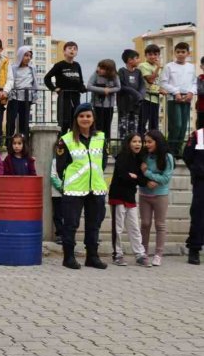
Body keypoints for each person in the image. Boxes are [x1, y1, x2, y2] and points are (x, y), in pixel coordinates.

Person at [51, 103, 109, 270]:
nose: (85, 119)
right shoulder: (66, 139)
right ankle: (68, 257)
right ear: (76, 119)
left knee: (94, 223)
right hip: (74, 188)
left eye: (88, 116)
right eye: (81, 116)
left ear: (93, 118)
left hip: (96, 187)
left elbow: (103, 161)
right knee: (71, 224)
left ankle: (92, 256)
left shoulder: (101, 137)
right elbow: (60, 166)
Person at [108, 133, 148, 267]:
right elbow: (123, 176)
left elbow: (143, 181)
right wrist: (135, 177)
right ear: (128, 143)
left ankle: (140, 255)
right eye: (134, 141)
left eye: (139, 142)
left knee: (134, 227)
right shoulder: (122, 157)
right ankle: (117, 254)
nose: (137, 144)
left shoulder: (140, 160)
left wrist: (135, 176)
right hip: (118, 196)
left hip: (130, 197)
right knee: (117, 228)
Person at [138, 130, 173, 267]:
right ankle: (143, 252)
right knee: (145, 224)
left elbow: (165, 178)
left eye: (149, 142)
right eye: (145, 141)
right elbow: (138, 173)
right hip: (144, 195)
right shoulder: (144, 155)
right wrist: (146, 181)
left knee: (160, 225)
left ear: (157, 142)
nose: (146, 144)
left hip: (160, 195)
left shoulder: (167, 157)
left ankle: (158, 254)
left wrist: (148, 173)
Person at [161, 41, 196, 156]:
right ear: (174, 53)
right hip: (174, 98)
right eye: (178, 52)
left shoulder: (191, 67)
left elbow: (194, 82)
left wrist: (191, 92)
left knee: (183, 127)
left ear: (188, 53)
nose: (180, 54)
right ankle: (170, 151)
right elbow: (164, 83)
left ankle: (178, 151)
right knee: (176, 125)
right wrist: (175, 92)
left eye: (183, 52)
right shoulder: (169, 66)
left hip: (186, 99)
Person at [44, 41, 85, 134]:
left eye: (75, 49)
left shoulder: (77, 65)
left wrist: (82, 88)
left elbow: (80, 81)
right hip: (64, 97)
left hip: (75, 97)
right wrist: (54, 88)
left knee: (75, 122)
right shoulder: (59, 65)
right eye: (70, 48)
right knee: (64, 122)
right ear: (64, 51)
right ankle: (61, 144)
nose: (72, 50)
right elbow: (47, 78)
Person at [184, 125, 204, 265]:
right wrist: (197, 171)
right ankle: (194, 249)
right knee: (198, 215)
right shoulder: (198, 135)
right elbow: (187, 156)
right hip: (201, 182)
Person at [7, 46, 37, 140]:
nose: (28, 58)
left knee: (24, 122)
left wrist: (35, 95)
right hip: (14, 97)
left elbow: (34, 82)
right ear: (20, 55)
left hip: (26, 98)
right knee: (11, 121)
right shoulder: (13, 68)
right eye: (26, 55)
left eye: (30, 56)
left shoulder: (32, 68)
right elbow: (10, 81)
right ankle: (8, 142)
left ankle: (24, 142)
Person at [87, 59, 120, 143]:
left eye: (102, 68)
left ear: (109, 70)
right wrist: (102, 90)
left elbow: (118, 87)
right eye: (99, 67)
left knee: (107, 126)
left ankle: (106, 146)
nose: (99, 69)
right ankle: (97, 144)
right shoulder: (96, 74)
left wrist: (109, 90)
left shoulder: (115, 76)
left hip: (109, 106)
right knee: (98, 126)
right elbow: (89, 86)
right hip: (97, 105)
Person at [117, 49, 146, 139]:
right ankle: (123, 149)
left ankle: (132, 149)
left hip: (135, 106)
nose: (139, 60)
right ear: (130, 60)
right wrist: (135, 93)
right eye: (137, 58)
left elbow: (142, 86)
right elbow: (122, 86)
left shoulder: (138, 72)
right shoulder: (121, 71)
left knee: (134, 131)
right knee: (123, 130)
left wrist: (141, 95)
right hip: (124, 106)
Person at [139, 44, 163, 132]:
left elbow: (159, 82)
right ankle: (140, 143)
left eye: (155, 54)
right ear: (146, 55)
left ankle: (153, 144)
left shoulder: (159, 67)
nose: (153, 57)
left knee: (154, 125)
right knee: (142, 123)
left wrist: (161, 90)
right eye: (150, 54)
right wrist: (158, 68)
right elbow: (150, 80)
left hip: (155, 98)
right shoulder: (143, 65)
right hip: (146, 98)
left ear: (158, 55)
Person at [49, 142, 65, 245]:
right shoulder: (55, 161)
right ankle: (59, 233)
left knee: (68, 215)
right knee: (58, 214)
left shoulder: (69, 161)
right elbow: (53, 176)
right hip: (57, 192)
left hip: (69, 192)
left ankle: (67, 234)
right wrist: (61, 187)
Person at [197, 56, 204, 131]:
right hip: (202, 109)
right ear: (201, 66)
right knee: (201, 131)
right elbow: (200, 90)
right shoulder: (200, 78)